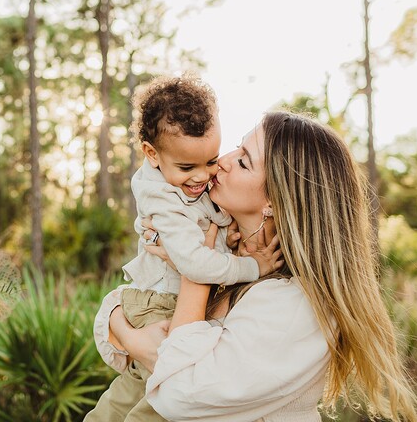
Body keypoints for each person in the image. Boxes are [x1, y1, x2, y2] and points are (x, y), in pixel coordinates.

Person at [94, 111, 417, 421]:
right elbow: (129, 300)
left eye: (242, 161)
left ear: (274, 200)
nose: (220, 163)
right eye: (235, 148)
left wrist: (194, 270)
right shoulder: (227, 252)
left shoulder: (294, 305)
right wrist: (122, 327)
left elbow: (178, 395)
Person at [86, 74, 280, 421]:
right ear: (151, 154)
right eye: (188, 167)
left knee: (131, 396)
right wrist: (253, 267)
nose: (206, 175)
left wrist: (225, 240)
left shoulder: (181, 177)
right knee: (155, 402)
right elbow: (196, 265)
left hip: (162, 303)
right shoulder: (162, 197)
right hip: (159, 306)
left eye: (212, 159)